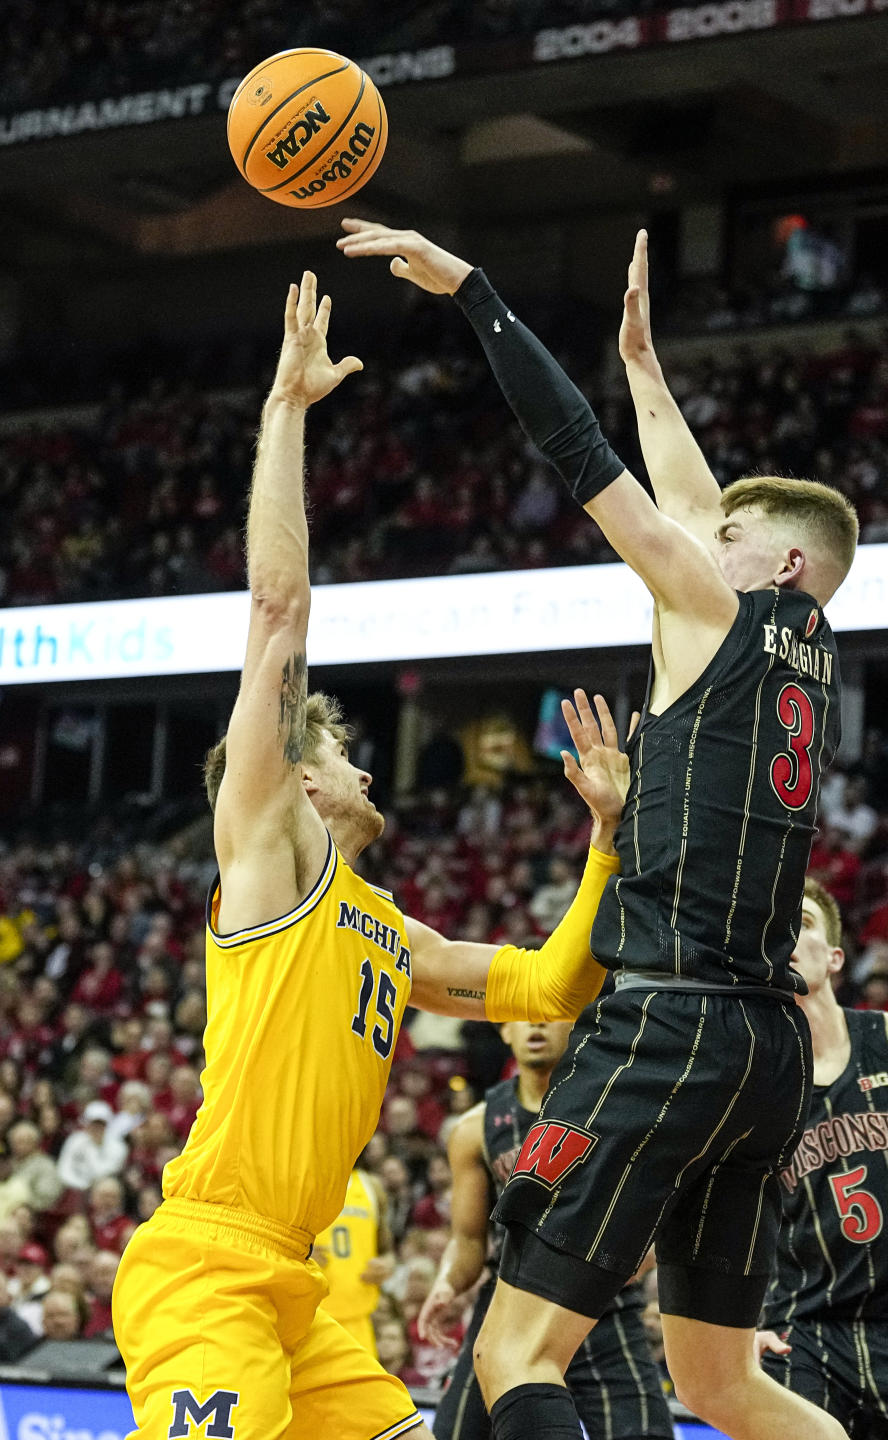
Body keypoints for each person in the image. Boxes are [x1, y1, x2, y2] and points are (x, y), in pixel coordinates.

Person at [339, 220, 859, 1440]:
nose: (696, 535)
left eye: (724, 535)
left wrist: (475, 292)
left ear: (777, 561)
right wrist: (646, 367)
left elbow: (577, 454)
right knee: (722, 1388)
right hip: (767, 1052)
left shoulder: (706, 602)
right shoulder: (809, 646)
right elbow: (689, 493)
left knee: (519, 1349)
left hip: (671, 1021)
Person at [112, 271, 635, 1440]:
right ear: (303, 783)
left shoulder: (390, 932)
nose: (366, 771)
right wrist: (287, 411)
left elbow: (550, 987)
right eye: (346, 753)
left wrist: (604, 842)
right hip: (208, 1267)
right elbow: (277, 608)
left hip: (301, 1290)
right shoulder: (267, 857)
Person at [756, 878, 888, 1436]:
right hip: (802, 1334)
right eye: (769, 925)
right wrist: (734, 1328)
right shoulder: (745, 1084)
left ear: (836, 956)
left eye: (801, 921)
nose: (784, 934)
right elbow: (705, 1217)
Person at [420, 1019, 673, 1440]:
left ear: (578, 1026)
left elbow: (662, 1213)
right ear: (504, 1031)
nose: (536, 1021)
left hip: (601, 1308)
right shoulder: (474, 1128)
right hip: (507, 1309)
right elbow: (467, 1241)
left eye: (552, 1011)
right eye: (524, 1012)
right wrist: (447, 1284)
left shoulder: (620, 1110)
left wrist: (642, 1254)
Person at [316, 1167, 396, 1355]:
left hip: (359, 1320)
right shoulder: (297, 1179)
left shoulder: (370, 1186)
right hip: (308, 1317)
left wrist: (385, 1266)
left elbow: (387, 1252)